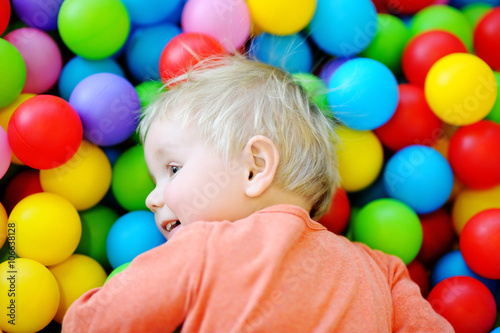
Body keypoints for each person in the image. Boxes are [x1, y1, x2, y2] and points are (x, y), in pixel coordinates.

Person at [62, 54, 453, 332]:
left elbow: (91, 324)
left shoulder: (203, 247)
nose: (152, 199)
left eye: (173, 170)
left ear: (255, 166)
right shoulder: (382, 272)